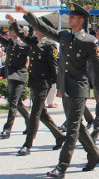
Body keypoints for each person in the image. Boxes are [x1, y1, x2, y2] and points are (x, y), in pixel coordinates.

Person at [19, 3, 99, 179]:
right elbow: (43, 27)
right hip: (66, 87)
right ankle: (94, 154)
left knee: (72, 128)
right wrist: (27, 13)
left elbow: (98, 69)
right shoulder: (65, 36)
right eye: (70, 16)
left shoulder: (89, 41)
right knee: (77, 126)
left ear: (81, 20)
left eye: (73, 16)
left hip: (79, 88)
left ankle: (62, 166)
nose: (70, 18)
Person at [8, 14, 66, 155]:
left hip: (43, 82)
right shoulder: (34, 41)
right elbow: (22, 36)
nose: (35, 30)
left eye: (38, 27)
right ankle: (59, 136)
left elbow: (54, 67)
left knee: (35, 113)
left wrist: (58, 86)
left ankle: (28, 144)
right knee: (41, 113)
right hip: (34, 81)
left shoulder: (50, 45)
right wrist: (14, 22)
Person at [0, 20, 30, 136]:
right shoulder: (9, 43)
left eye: (12, 29)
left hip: (19, 76)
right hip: (10, 76)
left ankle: (7, 129)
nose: (10, 31)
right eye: (10, 29)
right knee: (16, 103)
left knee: (12, 102)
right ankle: (30, 122)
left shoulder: (24, 44)